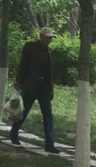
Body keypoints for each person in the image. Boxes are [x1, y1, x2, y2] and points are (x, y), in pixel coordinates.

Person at [10, 26, 59, 154]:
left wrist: (51, 89)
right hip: (32, 85)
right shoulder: (30, 47)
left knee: (48, 115)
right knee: (23, 111)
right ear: (41, 36)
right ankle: (14, 133)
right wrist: (18, 81)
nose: (49, 40)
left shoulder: (49, 51)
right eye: (47, 37)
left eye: (50, 38)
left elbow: (50, 73)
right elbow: (23, 64)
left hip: (44, 88)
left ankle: (49, 143)